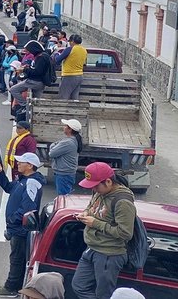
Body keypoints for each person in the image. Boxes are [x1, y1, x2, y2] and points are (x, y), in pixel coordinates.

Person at [72, 162, 137, 299]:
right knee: (78, 286)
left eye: (95, 185)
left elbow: (125, 233)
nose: (94, 189)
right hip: (92, 248)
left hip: (109, 254)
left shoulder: (123, 202)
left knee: (104, 295)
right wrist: (85, 213)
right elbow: (91, 207)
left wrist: (95, 223)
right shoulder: (99, 192)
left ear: (108, 182)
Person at [0, 153, 46, 297]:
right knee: (18, 258)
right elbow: (9, 188)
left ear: (30, 166)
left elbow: (27, 208)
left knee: (17, 259)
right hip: (18, 227)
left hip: (21, 229)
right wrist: (0, 174)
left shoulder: (31, 182)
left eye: (21, 162)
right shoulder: (24, 179)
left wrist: (12, 220)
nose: (18, 164)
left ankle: (11, 288)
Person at [49, 119, 83, 196]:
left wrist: (53, 145)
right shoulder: (72, 140)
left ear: (70, 129)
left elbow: (52, 153)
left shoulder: (67, 142)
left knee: (63, 197)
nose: (64, 127)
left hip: (63, 174)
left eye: (66, 126)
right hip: (67, 173)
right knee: (66, 195)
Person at [55, 34, 86, 100]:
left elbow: (57, 60)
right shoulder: (84, 50)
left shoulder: (70, 49)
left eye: (69, 42)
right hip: (79, 76)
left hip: (69, 75)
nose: (69, 43)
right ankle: (74, 110)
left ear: (72, 41)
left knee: (63, 97)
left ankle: (63, 110)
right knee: (74, 98)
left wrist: (56, 54)